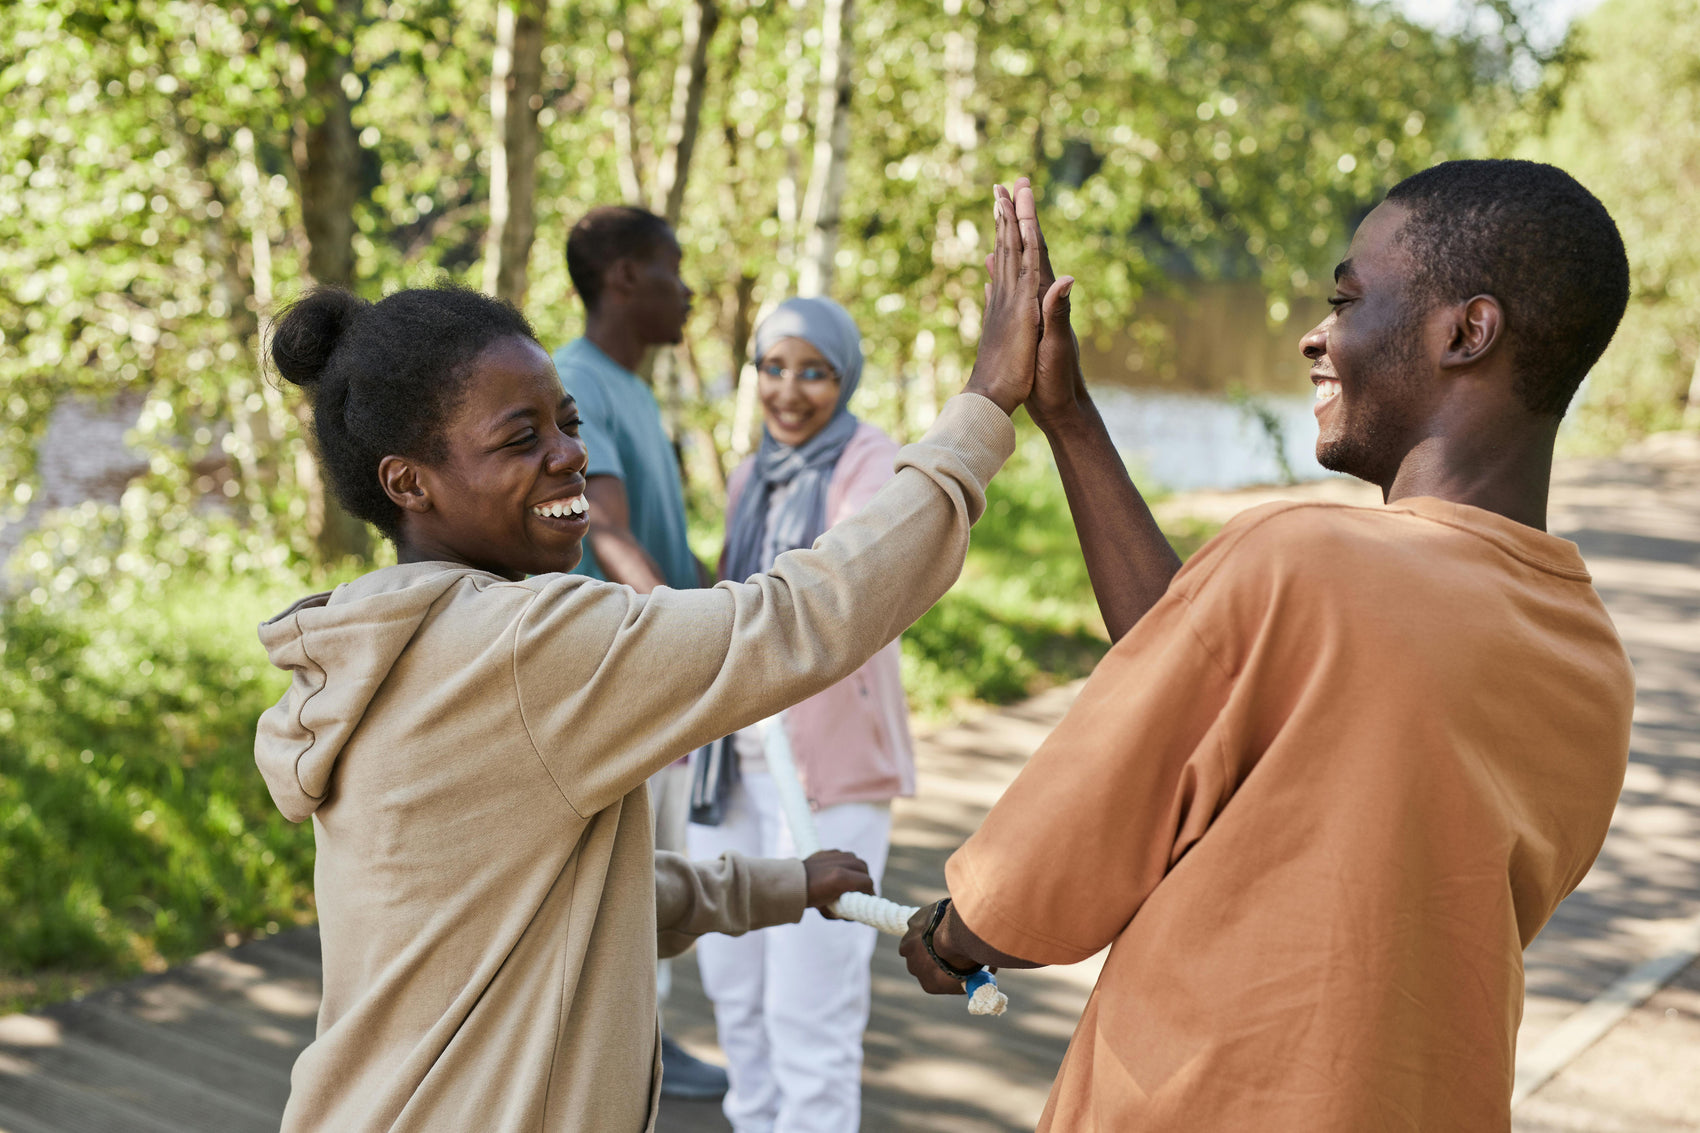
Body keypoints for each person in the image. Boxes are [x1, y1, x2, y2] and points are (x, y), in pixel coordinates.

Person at [254, 187, 1038, 1132]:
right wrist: (985, 407)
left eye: (568, 422)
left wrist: (782, 885)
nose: (568, 456)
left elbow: (568, 899)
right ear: (408, 482)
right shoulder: (519, 647)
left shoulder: (380, 643)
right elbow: (795, 622)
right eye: (520, 438)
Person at [899, 164, 1637, 1131]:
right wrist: (1069, 419)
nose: (1313, 333)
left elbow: (1037, 889)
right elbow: (1216, 666)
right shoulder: (1586, 655)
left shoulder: (1303, 559)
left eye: (1346, 299)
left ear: (1467, 332)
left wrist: (956, 936)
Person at [687, 296, 912, 1133]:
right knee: (734, 993)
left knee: (809, 1012)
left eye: (813, 371)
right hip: (727, 768)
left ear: (844, 375)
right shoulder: (751, 474)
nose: (789, 390)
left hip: (827, 773)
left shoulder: (870, 463)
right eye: (773, 367)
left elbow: (850, 580)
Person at [550, 205, 715, 1095]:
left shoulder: (638, 387)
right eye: (673, 270)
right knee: (632, 870)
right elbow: (604, 524)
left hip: (653, 658)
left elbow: (657, 535)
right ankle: (620, 1048)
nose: (687, 291)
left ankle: (644, 1031)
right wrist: (686, 644)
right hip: (624, 669)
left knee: (659, 860)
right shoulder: (579, 382)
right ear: (624, 278)